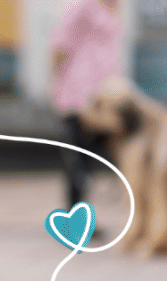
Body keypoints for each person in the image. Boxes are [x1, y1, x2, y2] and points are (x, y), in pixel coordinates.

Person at [50, 0, 123, 215]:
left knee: (90, 162)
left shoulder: (110, 9)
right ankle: (75, 218)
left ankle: (82, 216)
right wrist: (56, 85)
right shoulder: (81, 6)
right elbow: (60, 47)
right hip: (79, 97)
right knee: (79, 162)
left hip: (105, 99)